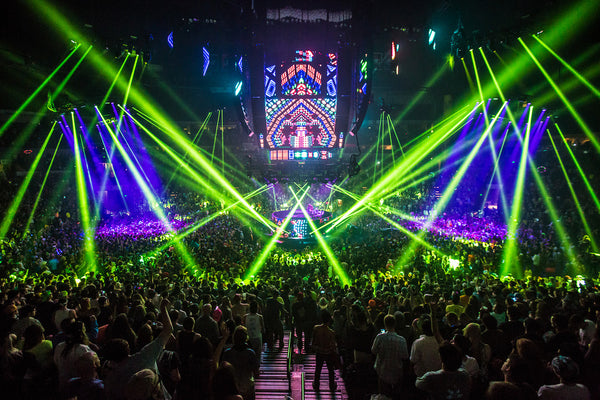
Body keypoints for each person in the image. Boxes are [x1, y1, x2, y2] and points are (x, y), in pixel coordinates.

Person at [104, 298, 173, 400]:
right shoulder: (144, 357)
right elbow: (168, 330)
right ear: (128, 350)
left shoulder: (111, 378)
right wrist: (163, 308)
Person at [371, 314, 409, 398]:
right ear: (395, 324)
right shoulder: (402, 340)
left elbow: (373, 351)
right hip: (397, 371)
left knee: (383, 395)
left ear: (385, 324)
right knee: (396, 395)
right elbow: (405, 356)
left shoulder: (380, 337)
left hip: (382, 370)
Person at [221, 325, 260, 400]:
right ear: (246, 338)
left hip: (232, 389)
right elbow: (256, 372)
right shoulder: (250, 353)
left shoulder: (228, 353)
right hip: (247, 387)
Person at [311, 310, 338, 391]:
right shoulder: (331, 332)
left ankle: (316, 384)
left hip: (319, 352)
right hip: (328, 353)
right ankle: (331, 385)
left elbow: (313, 341)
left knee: (318, 369)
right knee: (330, 370)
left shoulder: (316, 328)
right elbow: (333, 345)